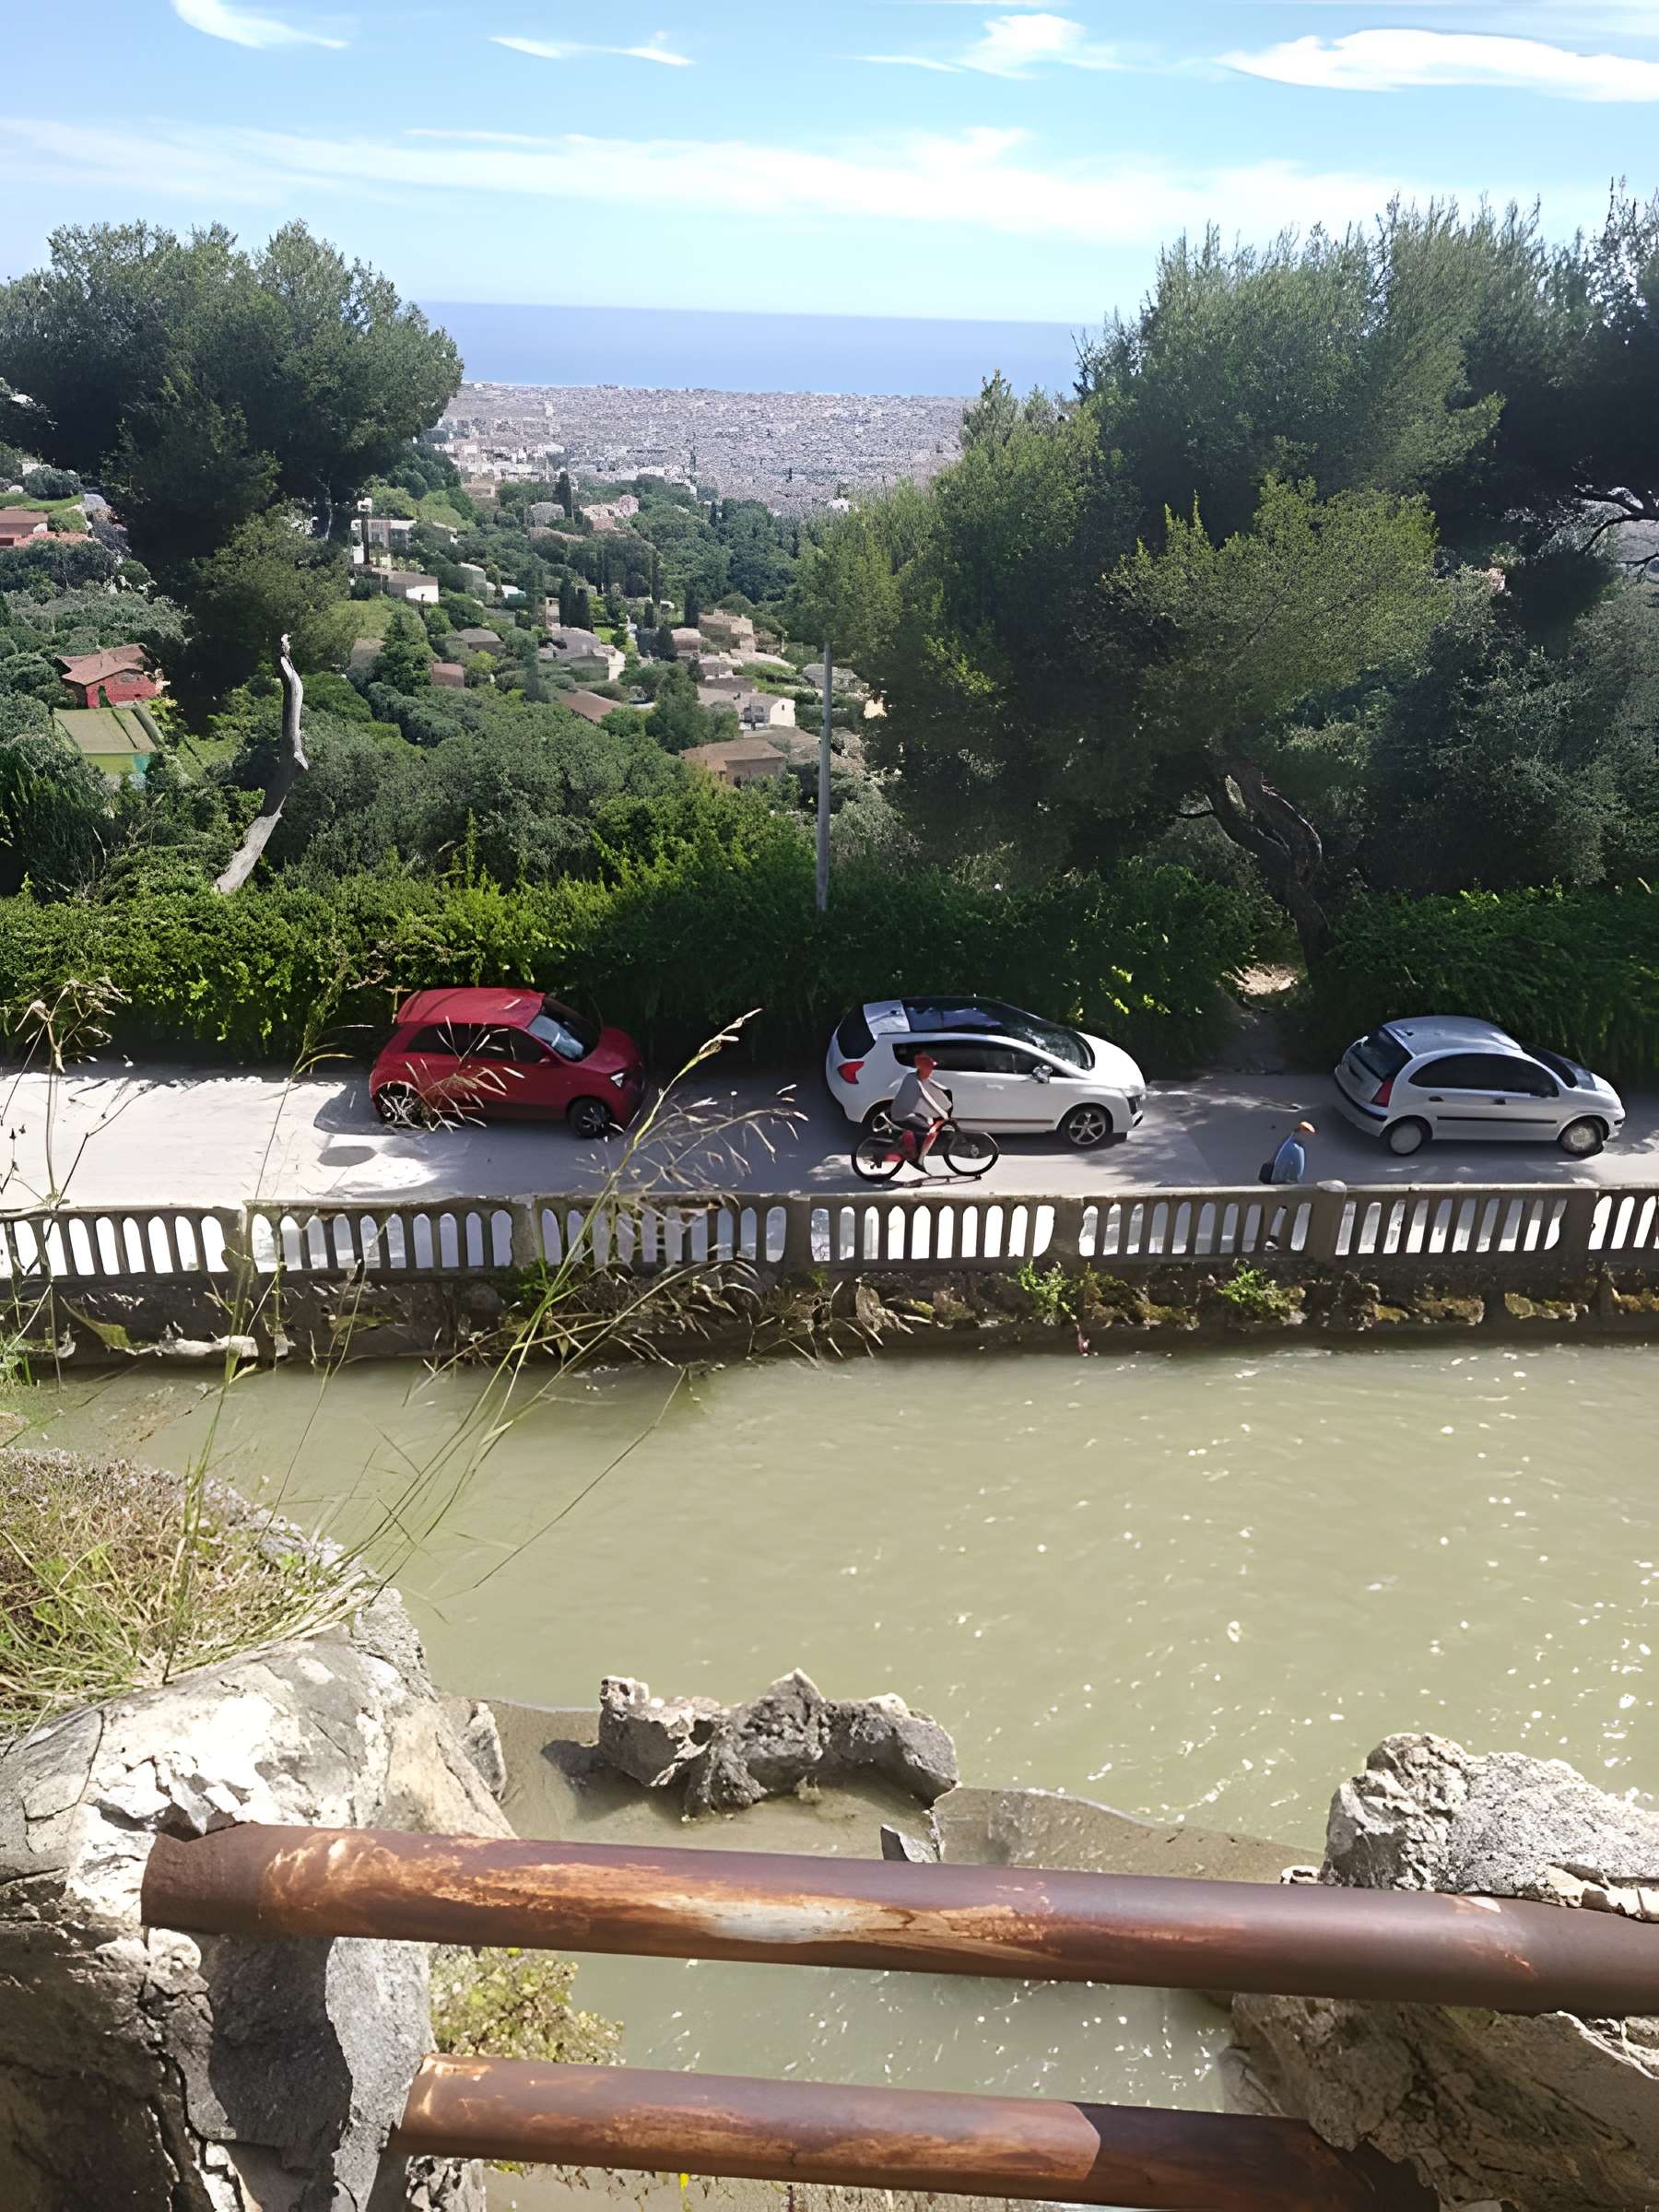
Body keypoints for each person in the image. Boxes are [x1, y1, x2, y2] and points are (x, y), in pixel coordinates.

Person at [888, 1052, 953, 1171]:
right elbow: (927, 1099)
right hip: (902, 1115)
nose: (932, 1070)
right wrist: (944, 1115)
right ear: (923, 1068)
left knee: (928, 1123)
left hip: (910, 1112)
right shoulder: (914, 1081)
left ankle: (912, 1151)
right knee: (928, 1131)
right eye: (930, 1067)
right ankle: (914, 1158)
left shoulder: (918, 1077)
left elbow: (934, 1090)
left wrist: (947, 1106)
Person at [1265, 1119, 1315, 1248]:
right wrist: (1294, 1185)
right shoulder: (1295, 1148)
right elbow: (1294, 1171)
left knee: (1279, 1212)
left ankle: (1272, 1237)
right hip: (1284, 1185)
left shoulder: (1291, 1141)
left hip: (1281, 1182)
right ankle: (1273, 1238)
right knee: (1282, 1212)